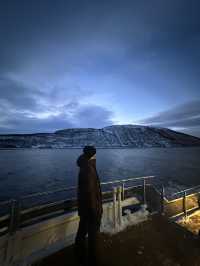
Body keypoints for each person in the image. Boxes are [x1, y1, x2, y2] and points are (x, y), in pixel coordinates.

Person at [75, 145, 103, 266]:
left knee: (82, 232)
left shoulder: (85, 165)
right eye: (95, 154)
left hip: (84, 208)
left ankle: (79, 256)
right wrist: (95, 211)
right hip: (91, 210)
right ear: (92, 155)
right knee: (92, 237)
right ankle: (92, 261)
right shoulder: (88, 169)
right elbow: (90, 192)